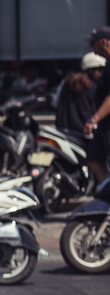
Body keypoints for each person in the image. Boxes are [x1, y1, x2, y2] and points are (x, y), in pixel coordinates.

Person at [54, 52, 103, 145]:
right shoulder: (94, 87)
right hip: (85, 135)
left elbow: (55, 102)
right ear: (92, 70)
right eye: (100, 70)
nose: (101, 74)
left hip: (62, 131)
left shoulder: (65, 82)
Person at [84, 26, 110, 182]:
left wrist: (95, 118)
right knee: (93, 157)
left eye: (93, 43)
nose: (91, 47)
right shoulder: (107, 65)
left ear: (103, 42)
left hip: (106, 123)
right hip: (105, 124)